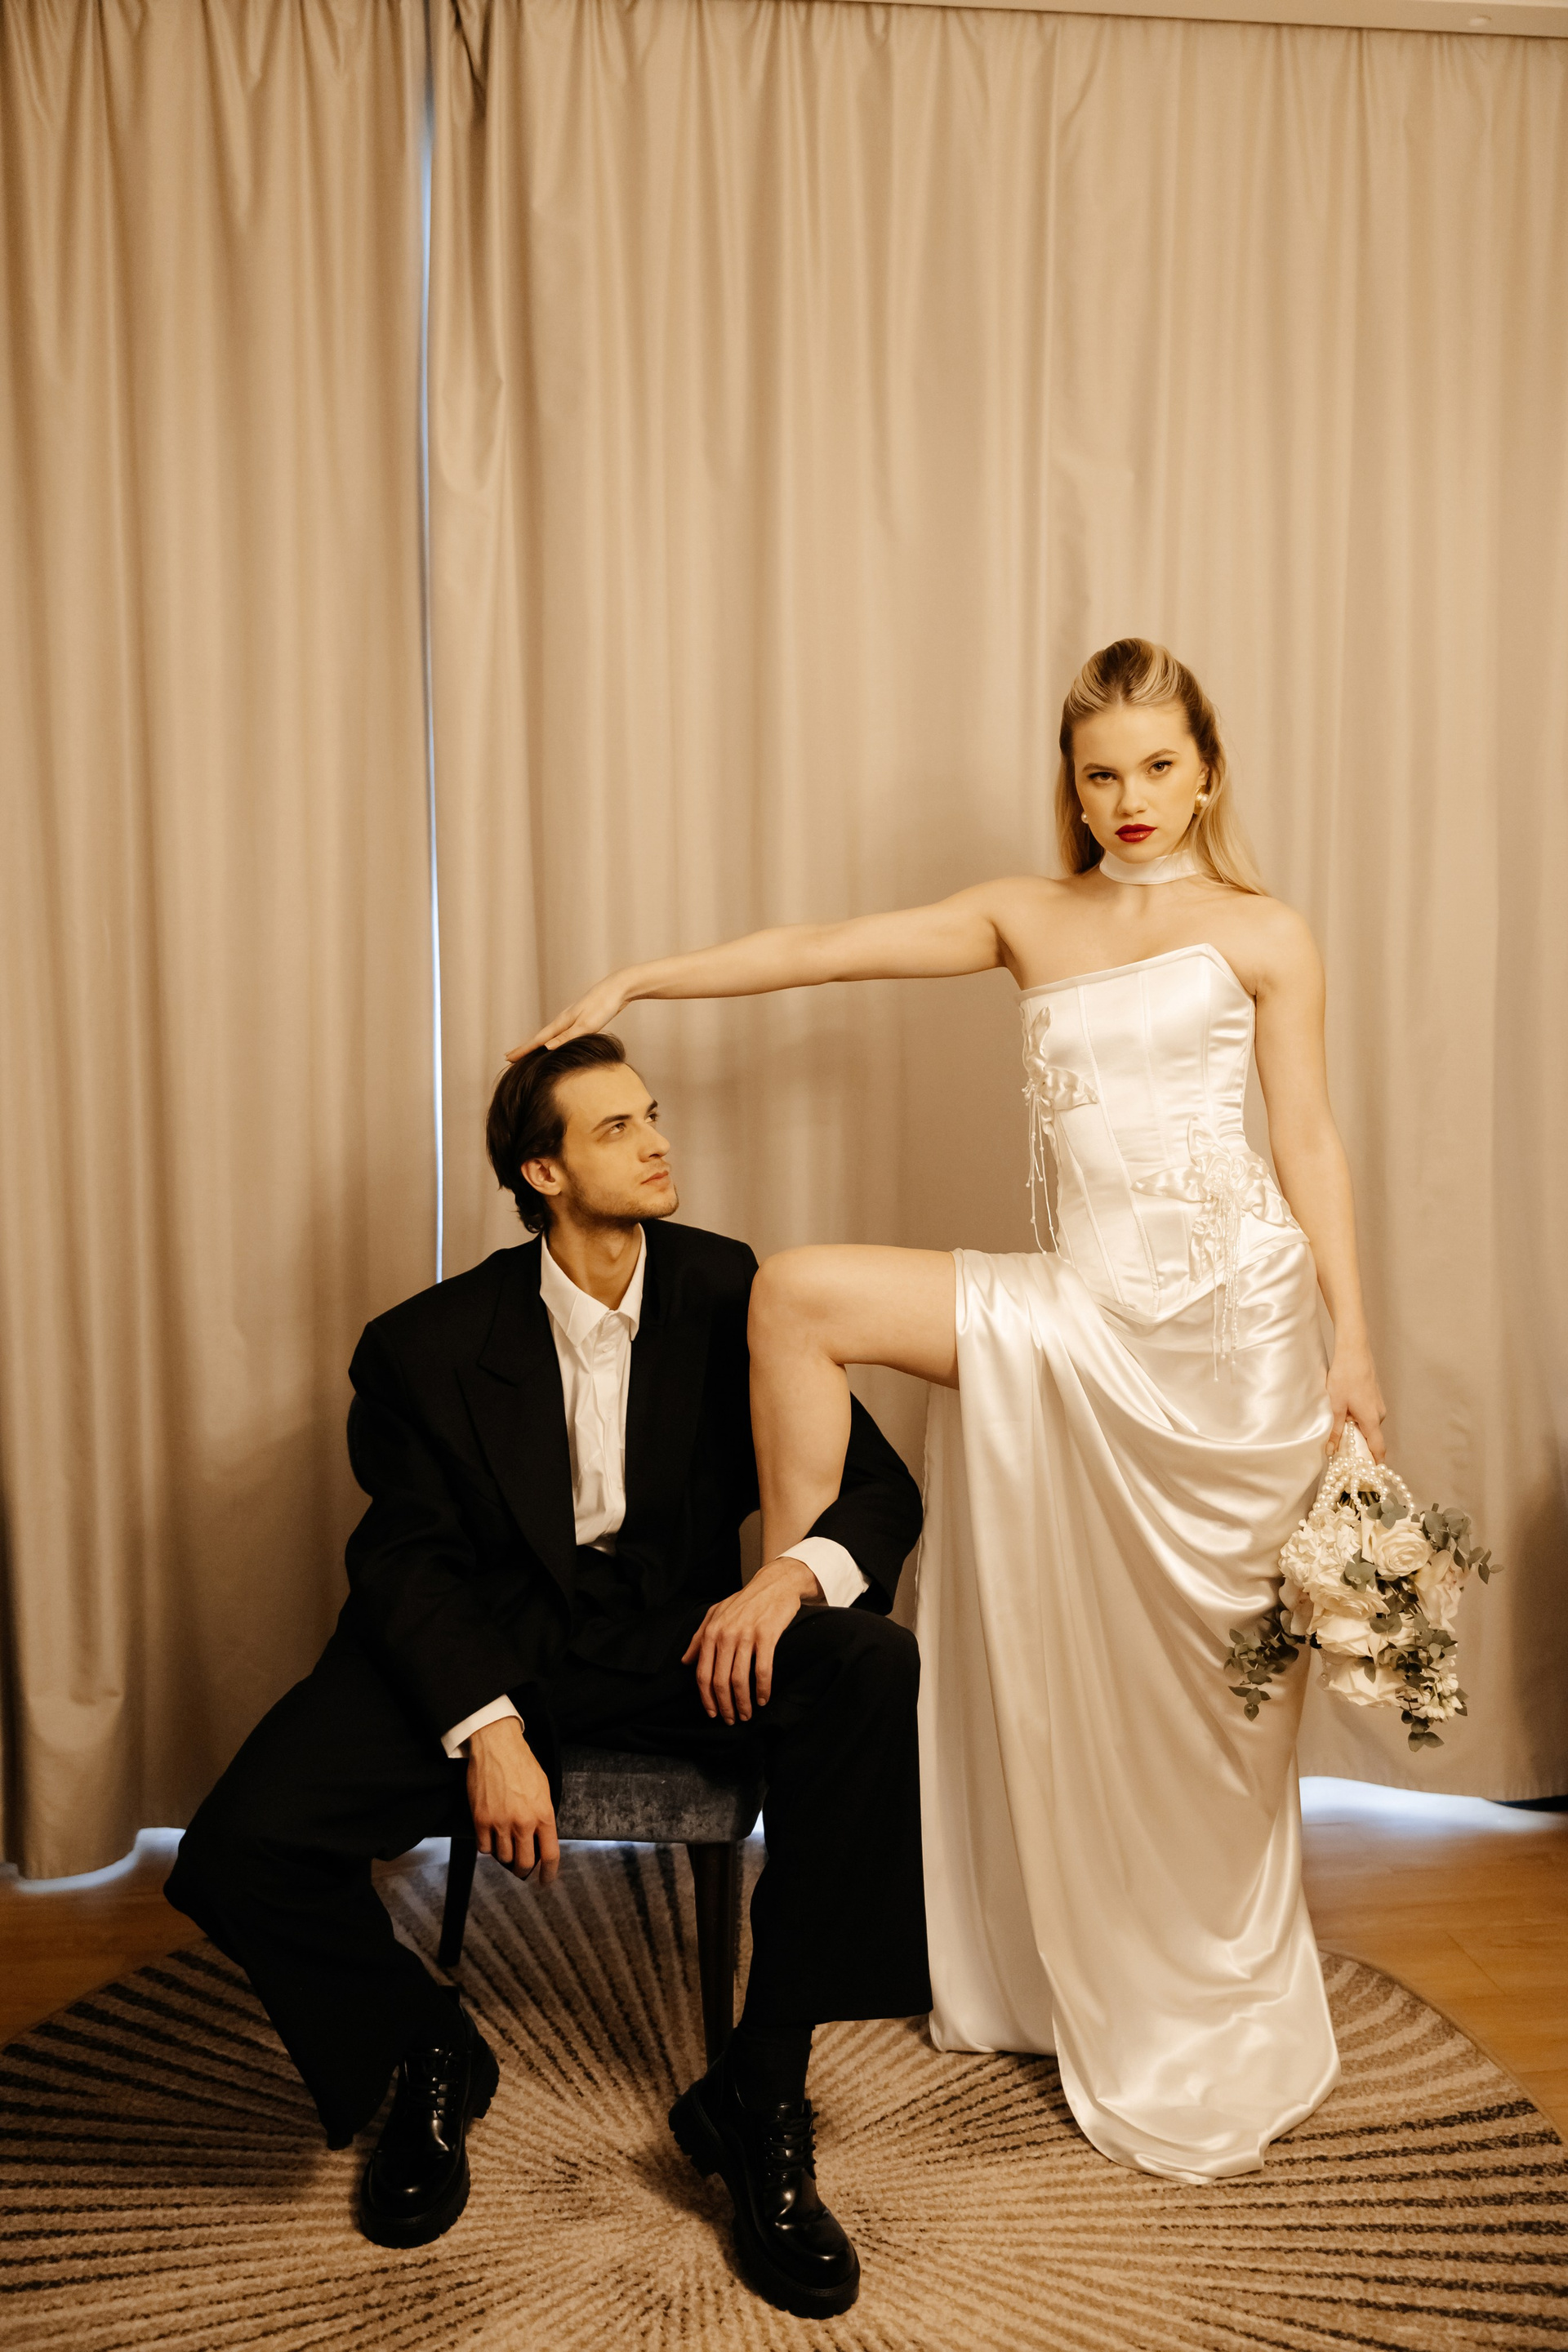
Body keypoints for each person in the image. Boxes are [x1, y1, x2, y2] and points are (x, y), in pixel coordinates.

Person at [518, 636, 1387, 2185]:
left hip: (1233, 1338)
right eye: (1101, 772)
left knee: (1216, 1703)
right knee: (801, 1296)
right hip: (1081, 1310)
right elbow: (823, 948)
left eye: (1158, 766)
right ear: (1074, 783)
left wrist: (1356, 1341)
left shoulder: (1266, 932)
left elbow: (1306, 1137)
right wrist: (642, 979)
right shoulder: (1024, 915)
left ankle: (1191, 1971)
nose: (1130, 798)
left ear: (1207, 771)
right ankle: (799, 1645)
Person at [166, 1035, 927, 2319]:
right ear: (544, 1172)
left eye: (652, 1115)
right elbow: (404, 1562)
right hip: (483, 1638)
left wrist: (786, 1581)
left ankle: (758, 2090)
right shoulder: (422, 1346)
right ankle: (427, 2045)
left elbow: (879, 1491)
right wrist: (487, 1726)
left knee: (866, 1666)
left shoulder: (733, 1292)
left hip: (675, 1643)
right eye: (617, 1129)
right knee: (241, 1847)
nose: (657, 1141)